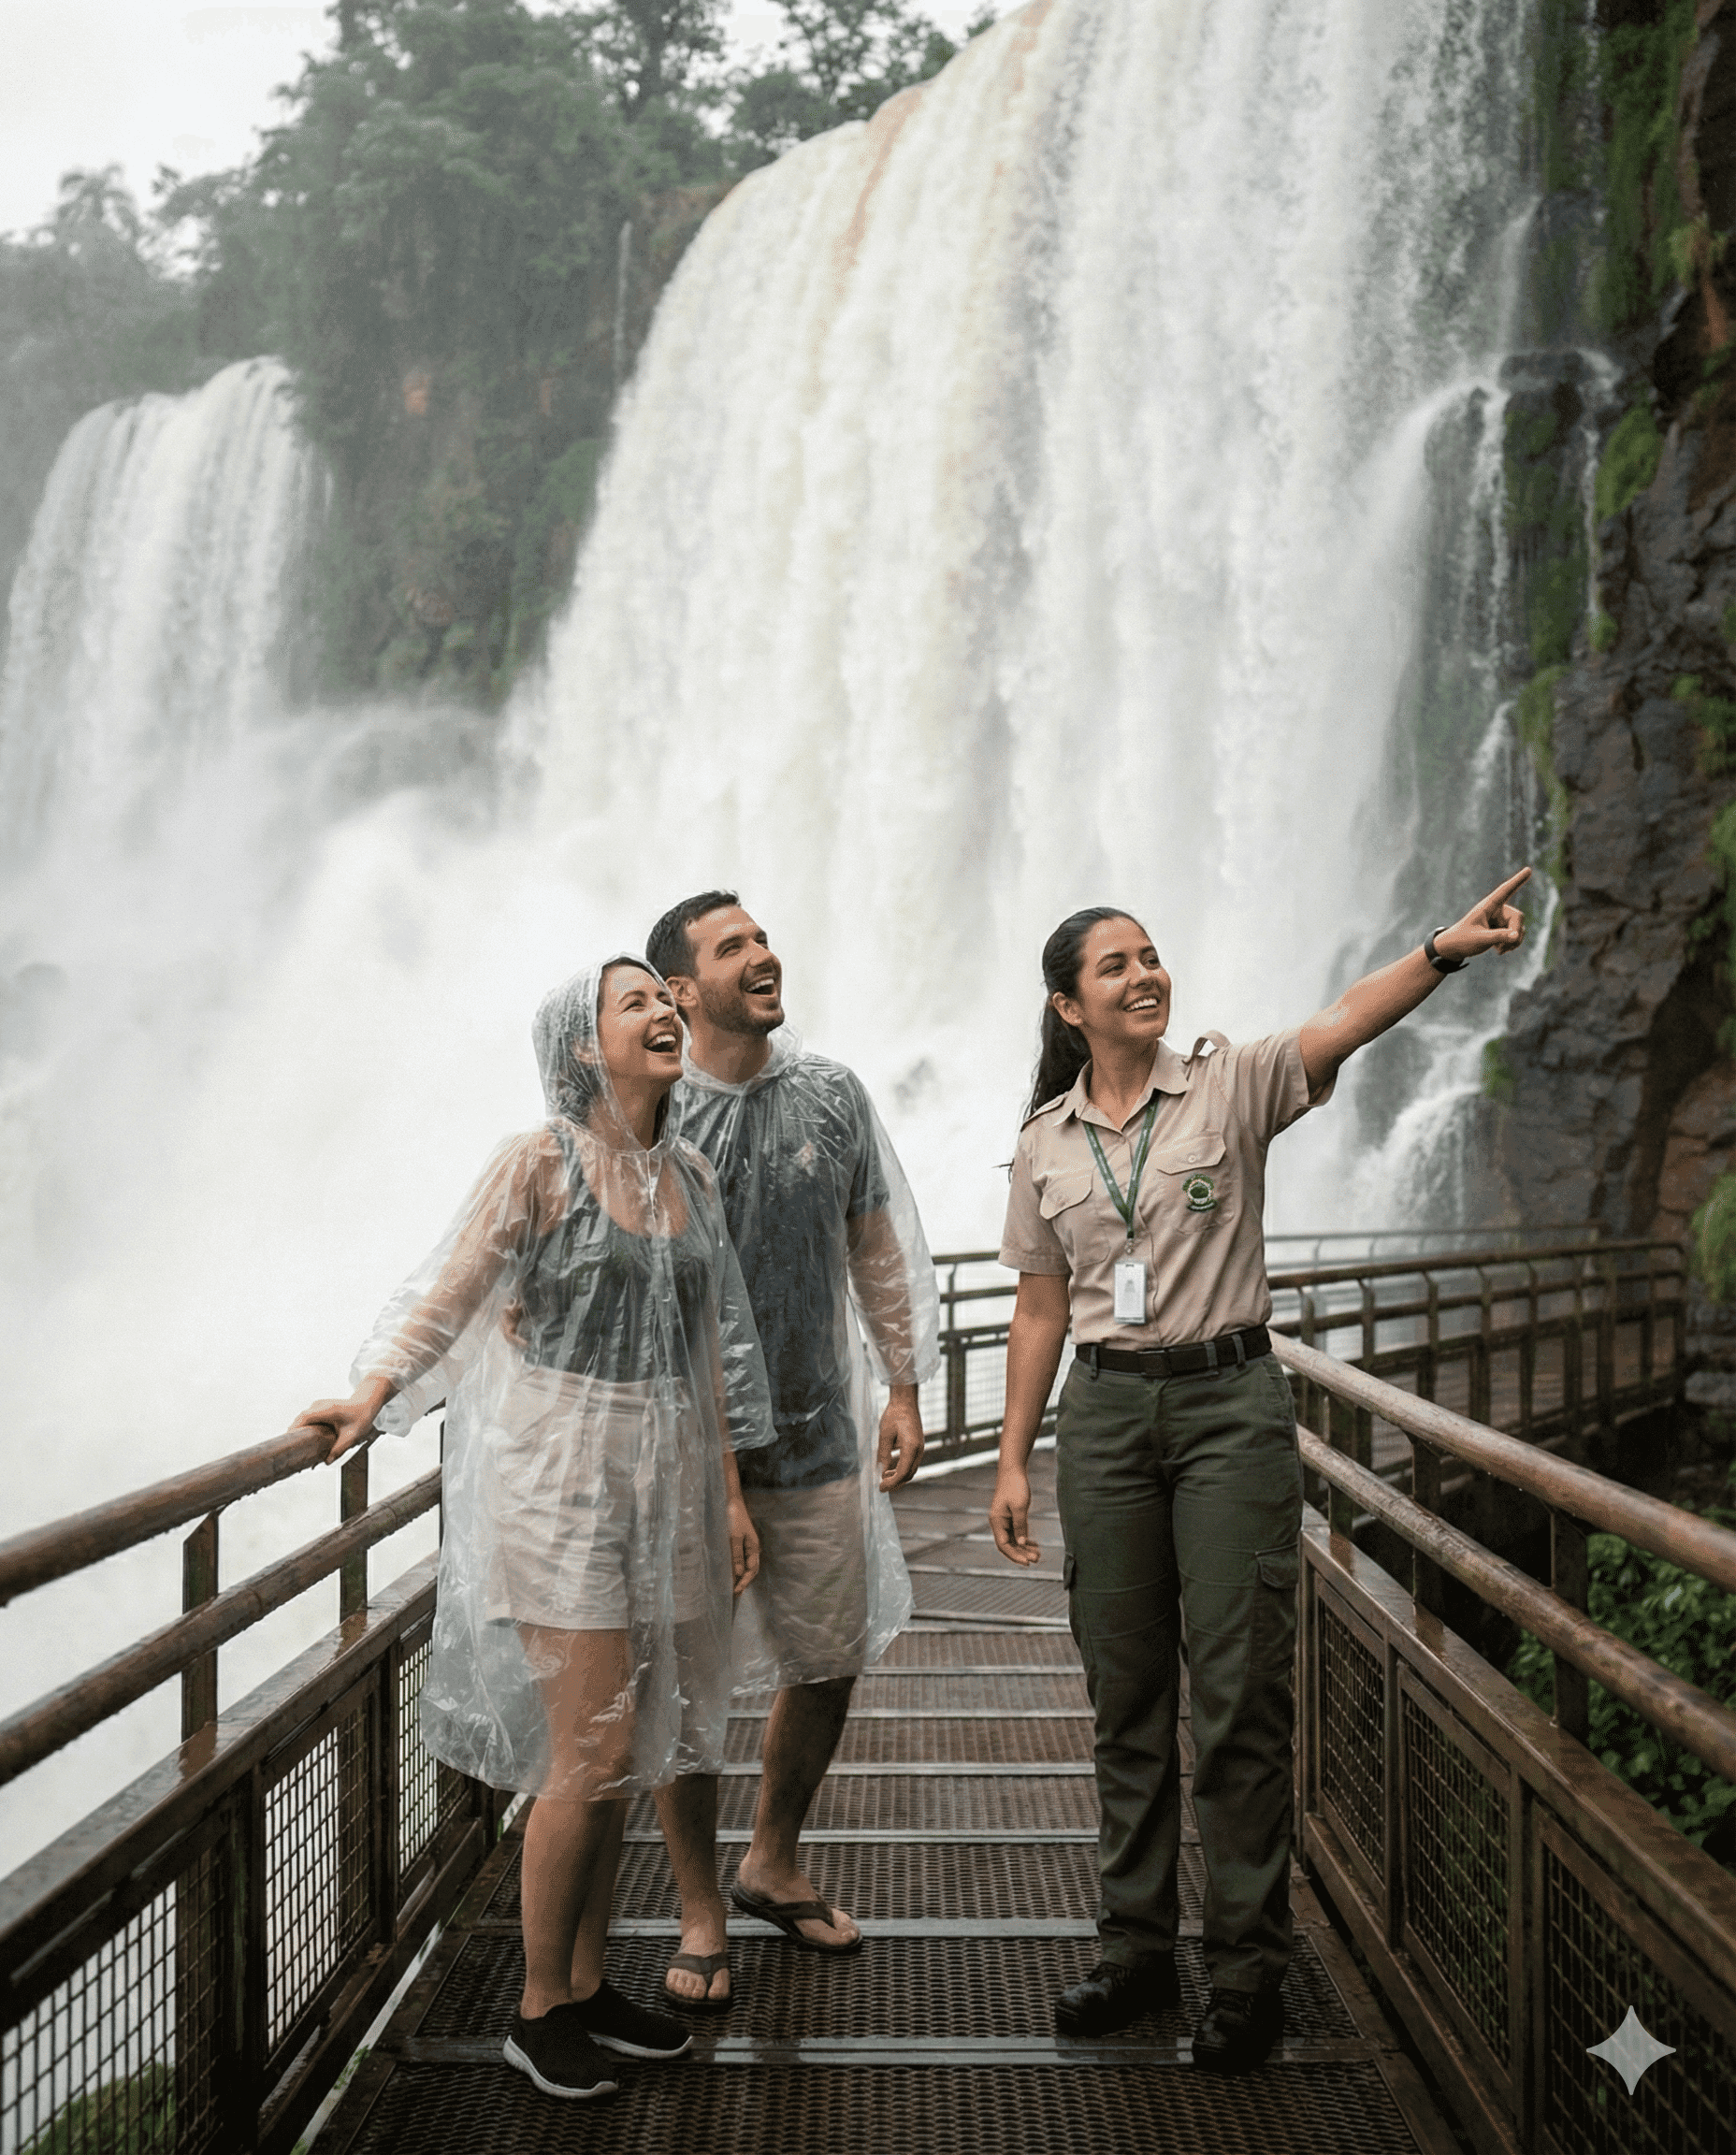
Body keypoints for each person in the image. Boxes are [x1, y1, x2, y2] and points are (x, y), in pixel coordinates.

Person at [990, 873, 1530, 2073]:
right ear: (1068, 1006)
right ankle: (1134, 1949)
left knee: (1237, 1697)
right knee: (1124, 1697)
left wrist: (1440, 950)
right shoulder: (1043, 1143)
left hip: (1227, 1408)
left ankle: (1244, 1975)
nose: (1145, 975)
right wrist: (1012, 1458)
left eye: (1150, 956)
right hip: (1104, 1419)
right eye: (1116, 965)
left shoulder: (1228, 1084)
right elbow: (1037, 1308)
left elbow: (1341, 1021)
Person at [293, 959, 774, 2101]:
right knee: (590, 1750)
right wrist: (373, 1395)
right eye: (632, 1003)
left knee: (628, 1743)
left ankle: (589, 1983)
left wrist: (728, 1490)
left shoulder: (691, 1175)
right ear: (580, 1048)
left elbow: (708, 1348)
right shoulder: (538, 1162)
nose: (663, 1012)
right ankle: (537, 2006)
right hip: (558, 1471)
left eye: (665, 997)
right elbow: (451, 1291)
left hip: (665, 1475)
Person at [642, 891, 940, 2009]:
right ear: (680, 991)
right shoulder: (651, 1108)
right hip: (685, 1455)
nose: (763, 954)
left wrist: (903, 1383)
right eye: (733, 948)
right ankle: (698, 1909)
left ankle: (770, 1860)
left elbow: (877, 1243)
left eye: (762, 938)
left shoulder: (830, 1093)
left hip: (817, 1434)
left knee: (826, 1657)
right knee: (684, 1684)